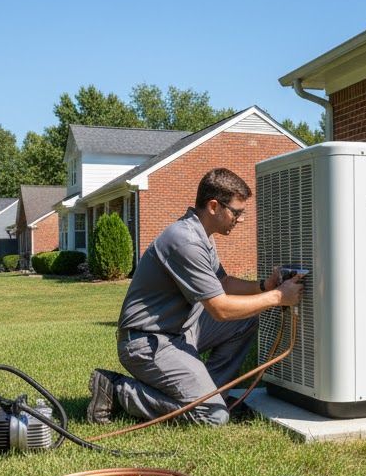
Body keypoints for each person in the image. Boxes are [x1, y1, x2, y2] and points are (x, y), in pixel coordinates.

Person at [86, 167, 304, 427]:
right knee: (213, 417)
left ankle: (214, 394)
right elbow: (220, 309)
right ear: (214, 206)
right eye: (236, 212)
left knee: (245, 320)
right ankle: (118, 390)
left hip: (177, 333)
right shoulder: (185, 240)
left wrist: (264, 286)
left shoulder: (202, 236)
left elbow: (223, 283)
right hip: (145, 343)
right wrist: (278, 297)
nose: (240, 219)